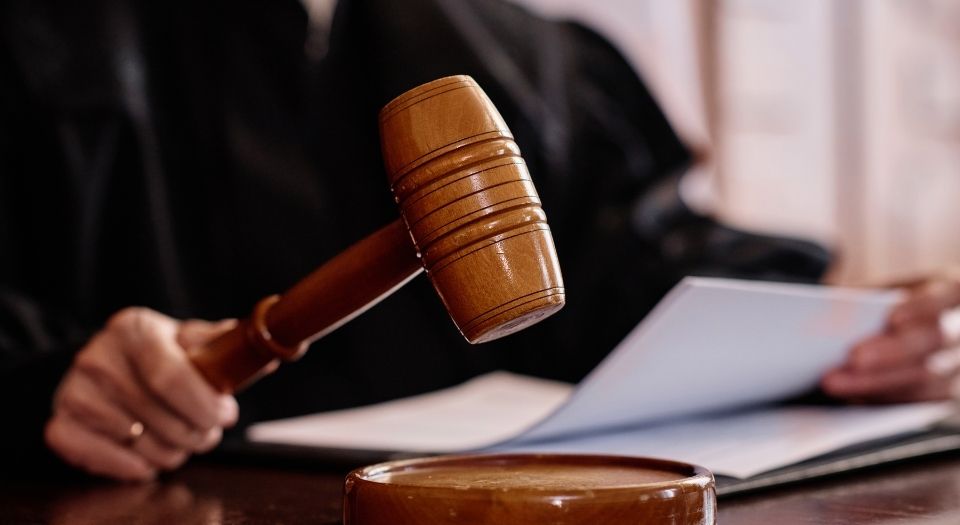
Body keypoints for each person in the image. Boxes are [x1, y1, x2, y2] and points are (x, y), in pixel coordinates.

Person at [1, 0, 956, 481]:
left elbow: (648, 275)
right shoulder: (41, 38)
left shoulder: (516, 53)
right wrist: (55, 379)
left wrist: (860, 333)